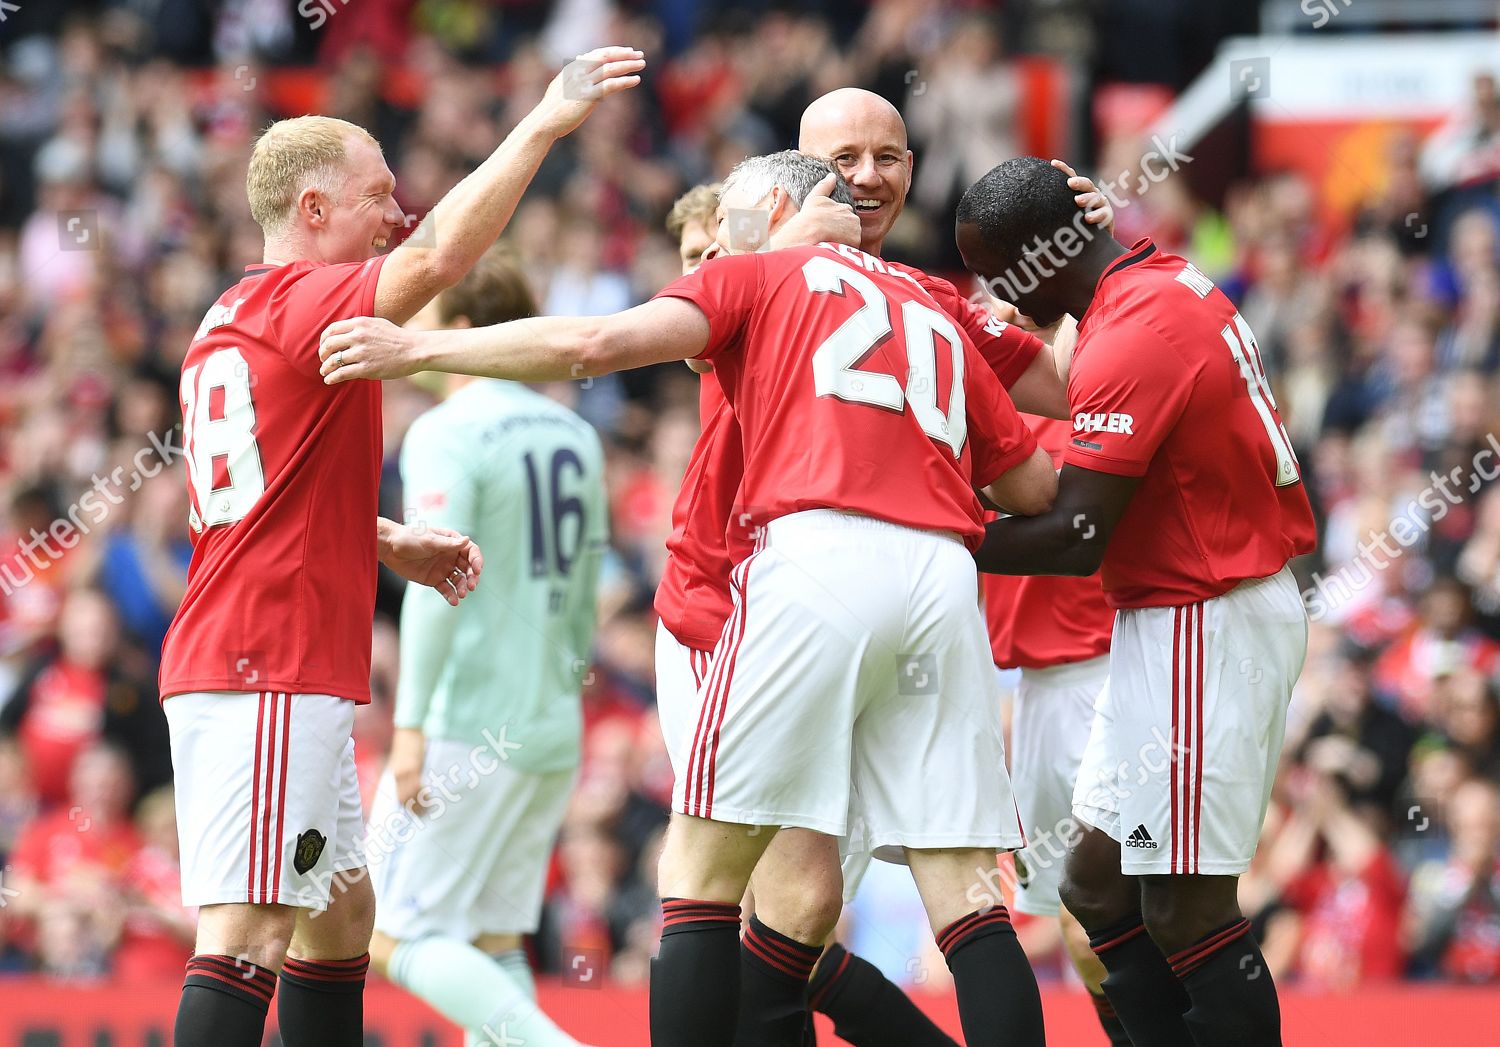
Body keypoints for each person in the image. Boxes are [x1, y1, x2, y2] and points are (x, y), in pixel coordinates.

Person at [318, 150, 1058, 1047]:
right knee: (966, 890)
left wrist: (417, 347)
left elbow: (592, 345)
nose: (721, 240)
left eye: (738, 215)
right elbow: (1032, 484)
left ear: (781, 204)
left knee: (701, 874)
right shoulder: (927, 299)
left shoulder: (759, 275)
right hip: (941, 576)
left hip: (812, 561)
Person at [155, 48, 644, 1047]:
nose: (397, 213)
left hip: (265, 659)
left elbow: (259, 503)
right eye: (378, 195)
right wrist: (544, 124)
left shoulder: (230, 317)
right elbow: (439, 266)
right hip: (268, 666)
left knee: (341, 919)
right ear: (314, 209)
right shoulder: (305, 301)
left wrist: (383, 539)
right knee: (247, 933)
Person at [956, 156, 1318, 1047]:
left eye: (999, 267)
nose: (998, 292)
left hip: (1206, 616)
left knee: (1190, 913)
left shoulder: (1128, 336)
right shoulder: (1166, 284)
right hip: (1177, 615)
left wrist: (932, 537)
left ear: (1041, 254)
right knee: (1095, 888)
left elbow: (1078, 535)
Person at [365, 248, 607, 1047]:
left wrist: (410, 725)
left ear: (465, 329)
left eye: (429, 317)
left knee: (391, 932)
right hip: (550, 720)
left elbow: (439, 578)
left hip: (467, 722)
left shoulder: (446, 428)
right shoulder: (577, 434)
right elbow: (585, 593)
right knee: (492, 938)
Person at [979, 410, 1125, 1045]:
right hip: (1036, 695)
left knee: (1142, 891)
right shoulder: (968, 416)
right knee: (1075, 917)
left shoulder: (1093, 414)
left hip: (1114, 682)